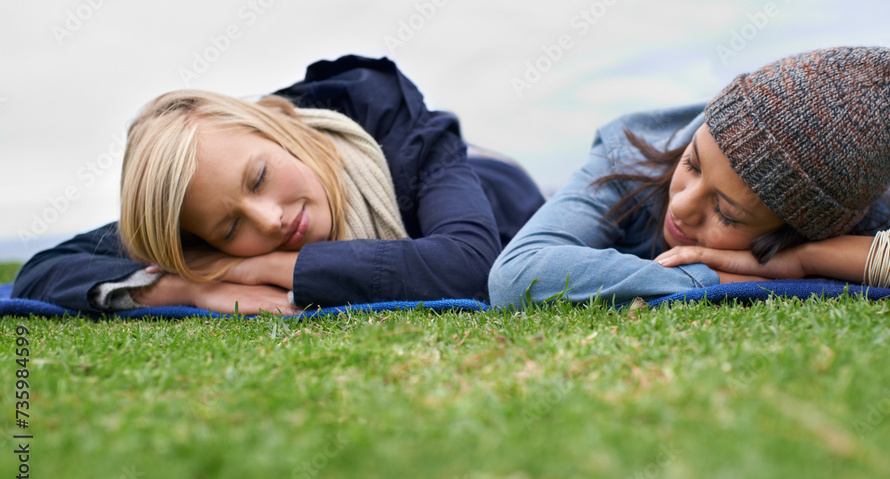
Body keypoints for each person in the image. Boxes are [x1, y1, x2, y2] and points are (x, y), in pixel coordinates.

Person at [14, 55, 545, 314]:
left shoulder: (400, 126)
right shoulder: (196, 206)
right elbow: (41, 274)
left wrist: (259, 266)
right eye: (230, 226)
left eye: (260, 177)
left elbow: (469, 265)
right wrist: (194, 286)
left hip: (495, 184)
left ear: (276, 129)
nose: (270, 219)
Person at [489, 46, 890, 308]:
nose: (685, 206)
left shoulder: (879, 193)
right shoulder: (632, 150)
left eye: (726, 214)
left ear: (806, 224)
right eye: (692, 166)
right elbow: (520, 276)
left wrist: (806, 262)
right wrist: (720, 278)